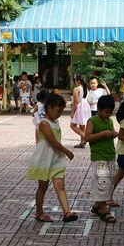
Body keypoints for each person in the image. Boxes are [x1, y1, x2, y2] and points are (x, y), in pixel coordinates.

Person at [25, 94, 78, 223]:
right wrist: (67, 152)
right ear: (49, 108)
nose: (59, 114)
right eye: (58, 111)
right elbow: (53, 142)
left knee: (60, 186)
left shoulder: (56, 121)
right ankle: (39, 212)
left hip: (57, 158)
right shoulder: (44, 123)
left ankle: (67, 213)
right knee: (42, 187)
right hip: (45, 158)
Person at [84, 95, 119, 224]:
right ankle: (104, 210)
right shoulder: (92, 121)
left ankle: (97, 206)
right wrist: (103, 134)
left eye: (111, 112)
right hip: (99, 157)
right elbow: (87, 137)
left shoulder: (109, 121)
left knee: (108, 182)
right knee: (103, 182)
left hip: (110, 155)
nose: (108, 115)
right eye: (106, 112)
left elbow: (112, 132)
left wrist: (113, 134)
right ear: (98, 109)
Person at [70, 77, 91, 148]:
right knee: (82, 126)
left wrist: (73, 113)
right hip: (86, 106)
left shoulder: (76, 89)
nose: (75, 83)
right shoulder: (86, 89)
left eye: (75, 81)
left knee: (72, 125)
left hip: (80, 106)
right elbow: (88, 100)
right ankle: (82, 143)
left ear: (78, 81)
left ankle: (85, 137)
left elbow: (75, 102)